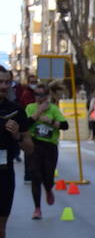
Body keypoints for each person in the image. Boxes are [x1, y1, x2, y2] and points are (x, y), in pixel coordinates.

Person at [0, 68, 34, 238]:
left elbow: (30, 149)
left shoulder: (15, 111)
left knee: (0, 226)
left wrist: (17, 135)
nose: (3, 87)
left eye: (6, 83)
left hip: (3, 171)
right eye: (0, 83)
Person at [25, 84, 67, 220]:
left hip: (50, 146)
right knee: (35, 176)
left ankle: (48, 189)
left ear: (46, 96)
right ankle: (37, 208)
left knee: (48, 176)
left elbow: (65, 126)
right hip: (34, 145)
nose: (38, 97)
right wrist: (38, 114)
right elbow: (24, 125)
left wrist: (49, 120)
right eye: (36, 94)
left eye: (41, 95)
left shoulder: (53, 109)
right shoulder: (30, 108)